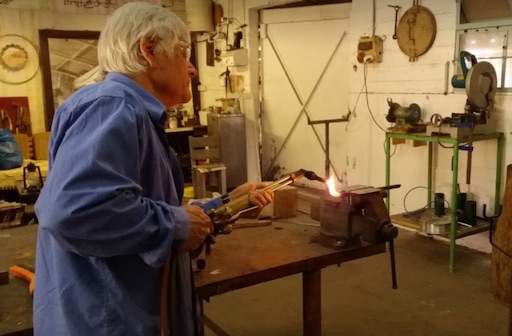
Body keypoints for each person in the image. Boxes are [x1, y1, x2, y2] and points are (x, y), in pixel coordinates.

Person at [33, 2, 274, 336]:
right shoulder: (113, 106)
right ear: (148, 49)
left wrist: (226, 204)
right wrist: (175, 225)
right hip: (110, 323)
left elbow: (144, 207)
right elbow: (76, 211)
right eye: (182, 52)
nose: (191, 69)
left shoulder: (128, 111)